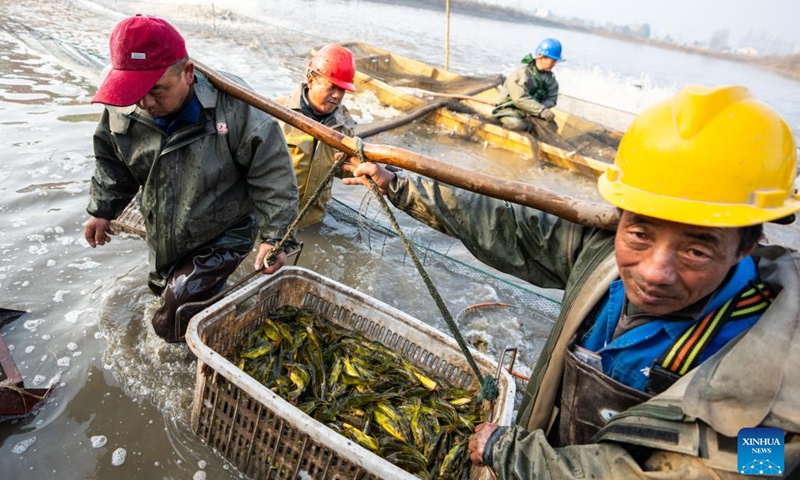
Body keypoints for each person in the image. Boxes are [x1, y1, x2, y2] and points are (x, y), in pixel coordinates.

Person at [343, 85, 800, 478]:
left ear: (747, 244)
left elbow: (706, 474)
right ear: (620, 217)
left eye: (695, 250)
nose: (654, 271)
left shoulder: (784, 395)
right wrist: (398, 185)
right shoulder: (601, 253)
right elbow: (508, 226)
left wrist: (511, 454)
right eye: (641, 234)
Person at [84, 15, 299, 343]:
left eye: (156, 90)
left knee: (176, 308)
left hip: (225, 229)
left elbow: (273, 175)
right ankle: (210, 315)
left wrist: (276, 237)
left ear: (187, 73)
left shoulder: (239, 109)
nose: (145, 103)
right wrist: (102, 210)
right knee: (164, 287)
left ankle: (197, 346)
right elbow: (112, 162)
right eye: (136, 91)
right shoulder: (124, 104)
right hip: (165, 225)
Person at [277, 44, 357, 229]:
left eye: (342, 90)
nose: (337, 96)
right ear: (311, 80)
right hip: (271, 220)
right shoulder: (277, 114)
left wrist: (370, 168)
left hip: (312, 222)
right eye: (332, 87)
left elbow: (342, 167)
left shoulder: (344, 126)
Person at [492, 38, 562, 131]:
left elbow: (552, 99)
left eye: (555, 61)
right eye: (552, 61)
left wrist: (542, 109)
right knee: (518, 125)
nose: (554, 64)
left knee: (551, 127)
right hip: (510, 110)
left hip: (532, 112)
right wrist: (540, 110)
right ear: (541, 57)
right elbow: (519, 98)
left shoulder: (550, 79)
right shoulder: (523, 73)